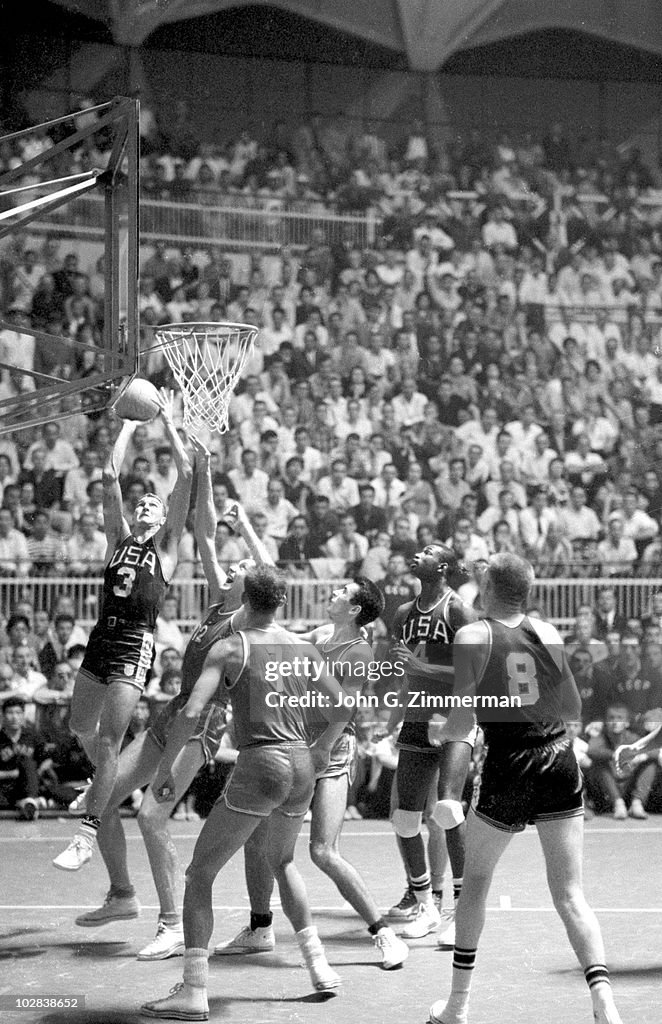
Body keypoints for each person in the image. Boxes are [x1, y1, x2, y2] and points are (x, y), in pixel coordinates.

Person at [71, 437, 274, 961]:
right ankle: (122, 895)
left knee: (151, 818)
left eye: (239, 569)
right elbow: (203, 530)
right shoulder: (213, 603)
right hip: (174, 713)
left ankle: (172, 924)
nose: (229, 567)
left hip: (202, 726)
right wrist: (202, 466)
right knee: (107, 795)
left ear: (250, 589)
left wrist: (243, 524)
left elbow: (267, 570)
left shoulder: (243, 617)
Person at [140, 566, 351, 1020]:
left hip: (263, 764)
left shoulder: (231, 646)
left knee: (199, 873)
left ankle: (193, 991)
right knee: (283, 861)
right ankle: (318, 965)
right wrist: (320, 752)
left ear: (244, 603)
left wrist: (166, 768)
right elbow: (345, 707)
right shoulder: (303, 647)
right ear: (283, 604)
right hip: (301, 767)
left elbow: (192, 710)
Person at [427, 552, 622, 1024]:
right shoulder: (548, 632)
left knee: (473, 884)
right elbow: (571, 703)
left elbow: (463, 714)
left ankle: (457, 1005)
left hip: (510, 763)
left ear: (488, 589)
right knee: (571, 894)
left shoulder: (474, 634)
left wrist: (443, 732)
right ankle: (605, 1003)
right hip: (558, 756)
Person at [215, 577, 409, 970]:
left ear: (354, 609)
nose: (334, 593)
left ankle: (383, 933)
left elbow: (347, 709)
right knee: (258, 842)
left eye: (343, 593)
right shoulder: (321, 634)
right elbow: (274, 630)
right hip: (299, 745)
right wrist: (253, 583)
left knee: (323, 851)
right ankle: (260, 927)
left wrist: (322, 750)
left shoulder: (359, 652)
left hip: (333, 751)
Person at [53, 391, 193, 871]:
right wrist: (131, 422)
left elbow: (187, 478)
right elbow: (111, 475)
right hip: (100, 636)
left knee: (111, 740)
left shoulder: (168, 548)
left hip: (134, 641)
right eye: (143, 504)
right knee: (77, 726)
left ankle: (86, 835)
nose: (147, 506)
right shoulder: (117, 540)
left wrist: (169, 425)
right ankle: (101, 787)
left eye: (155, 504)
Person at [388, 543, 477, 946]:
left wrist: (419, 666)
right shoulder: (404, 614)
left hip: (456, 716)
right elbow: (404, 675)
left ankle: (462, 907)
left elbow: (474, 675)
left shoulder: (457, 610)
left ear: (441, 566)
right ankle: (426, 905)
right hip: (418, 715)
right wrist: (396, 717)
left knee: (446, 808)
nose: (416, 553)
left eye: (427, 551)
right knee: (405, 819)